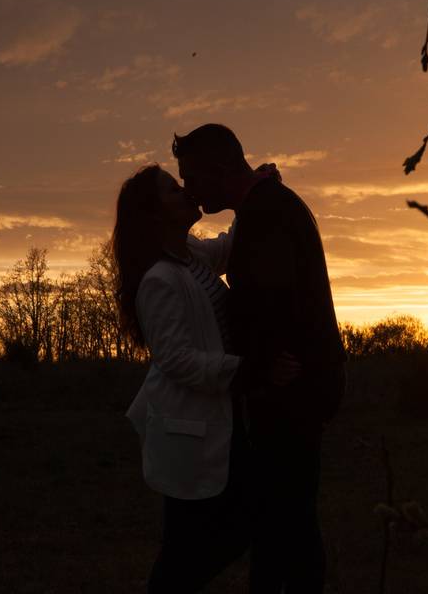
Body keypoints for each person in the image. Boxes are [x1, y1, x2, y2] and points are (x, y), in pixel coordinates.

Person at [173, 123, 348, 594]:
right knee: (284, 519)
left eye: (191, 177)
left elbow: (268, 301)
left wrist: (264, 367)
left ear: (220, 167)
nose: (188, 188)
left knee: (285, 520)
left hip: (289, 388)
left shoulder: (267, 211)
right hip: (292, 384)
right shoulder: (264, 206)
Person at [112, 163, 293, 593]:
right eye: (173, 192)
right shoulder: (161, 279)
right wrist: (249, 371)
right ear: (155, 214)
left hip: (212, 421)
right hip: (187, 428)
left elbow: (233, 249)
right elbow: (176, 359)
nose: (186, 193)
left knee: (190, 544)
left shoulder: (189, 257)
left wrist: (254, 196)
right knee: (201, 541)